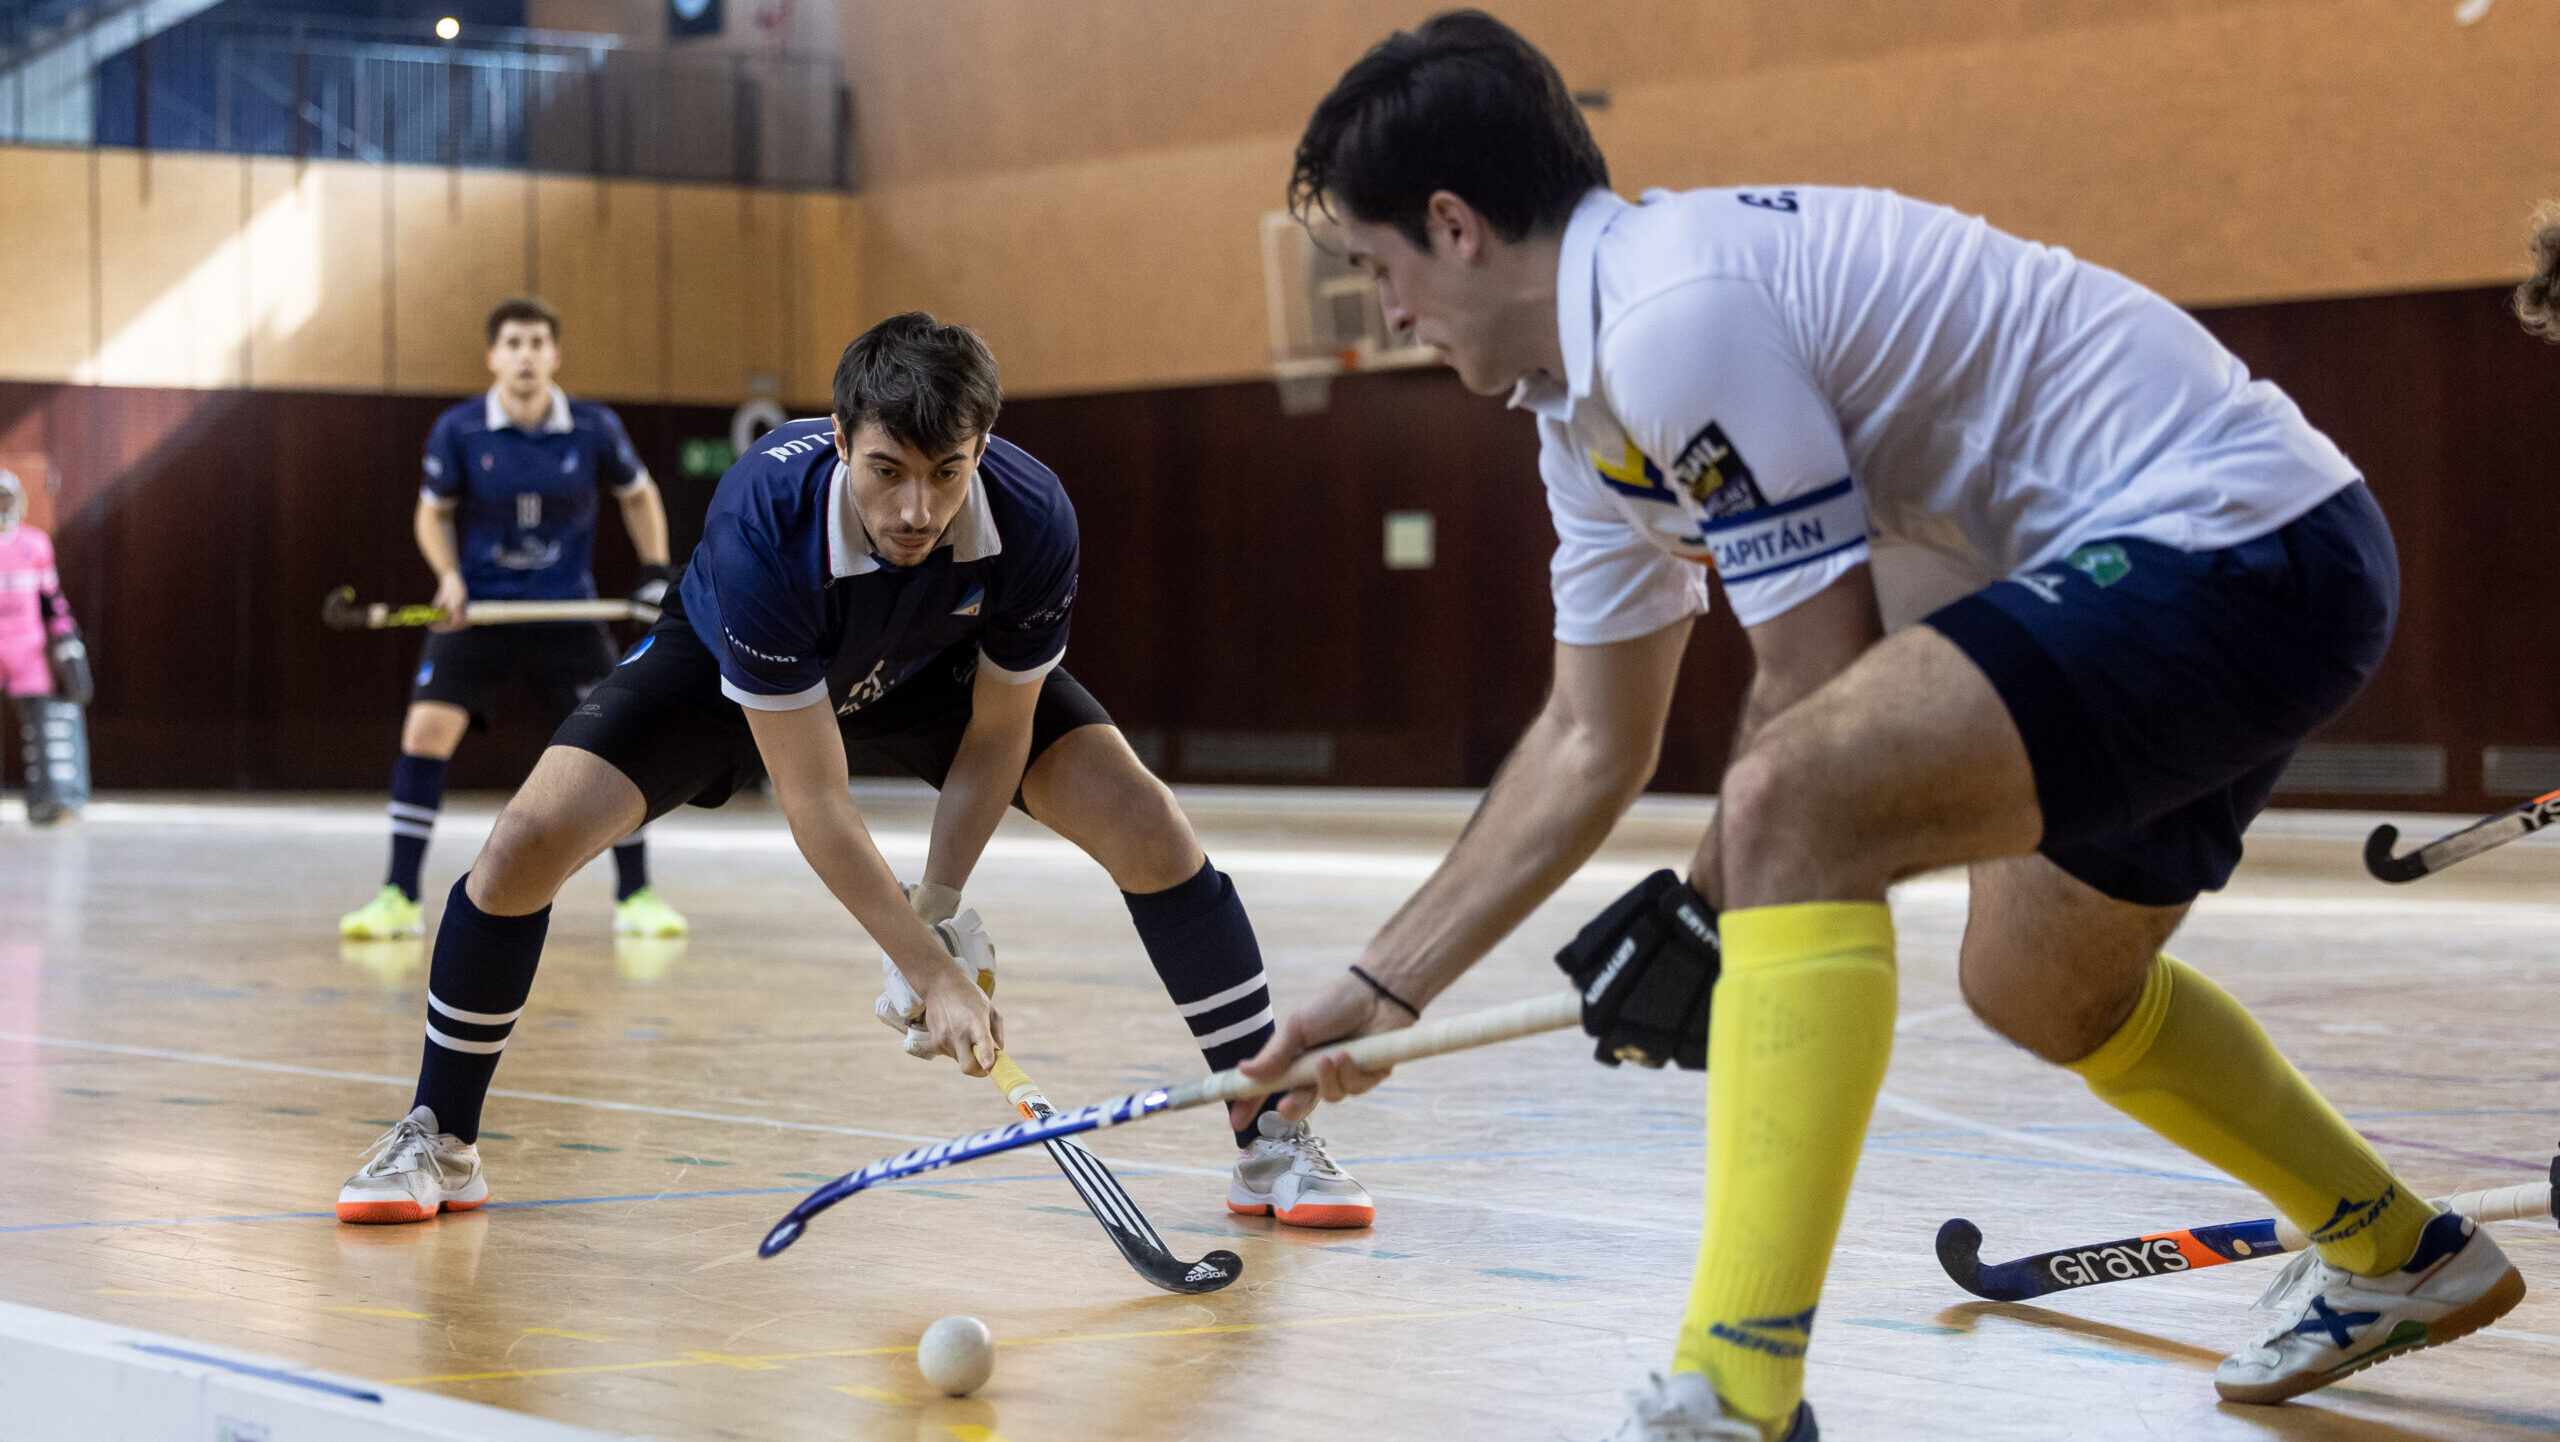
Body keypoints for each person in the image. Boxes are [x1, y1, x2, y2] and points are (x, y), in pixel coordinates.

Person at [1240, 13, 2523, 1439]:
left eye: (1379, 270)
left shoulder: (1674, 315)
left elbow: (1820, 678)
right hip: (2155, 581)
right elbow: (1590, 737)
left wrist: (1707, 919)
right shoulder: (1581, 413)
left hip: (2240, 543)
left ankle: (1737, 1393)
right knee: (2038, 985)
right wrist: (1382, 983)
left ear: (1457, 224)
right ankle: (2399, 1251)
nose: (1390, 313)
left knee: (1792, 795)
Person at [332, 312, 1373, 1233]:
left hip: (933, 665)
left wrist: (941, 903)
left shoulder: (1033, 516)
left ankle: (1268, 1132)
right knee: (522, 846)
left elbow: (998, 729)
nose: (917, 508)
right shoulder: (764, 529)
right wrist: (931, 969)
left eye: (946, 471)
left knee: (1150, 827)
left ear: (984, 446)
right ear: (840, 442)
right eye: (887, 471)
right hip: (728, 667)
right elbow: (816, 799)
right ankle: (440, 1136)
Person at [340, 297, 687, 942]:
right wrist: (448, 577)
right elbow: (431, 512)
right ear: (493, 356)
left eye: (537, 343)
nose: (525, 355)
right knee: (423, 735)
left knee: (620, 742)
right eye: (513, 343)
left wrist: (655, 567)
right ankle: (398, 896)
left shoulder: (594, 427)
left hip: (569, 611)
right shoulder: (460, 429)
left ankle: (637, 897)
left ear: (554, 355)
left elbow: (638, 493)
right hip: (480, 612)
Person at [0, 469, 90, 825]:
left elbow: (51, 600)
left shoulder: (34, 544)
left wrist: (66, 637)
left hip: (28, 649)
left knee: (47, 724)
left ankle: (55, 799)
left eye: (5, 499)